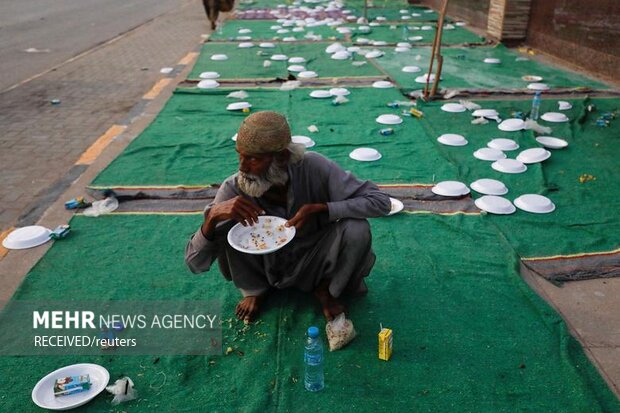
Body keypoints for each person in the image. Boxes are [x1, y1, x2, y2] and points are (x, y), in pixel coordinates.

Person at [185, 111, 391, 322]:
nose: (242, 167)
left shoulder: (314, 168)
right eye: (240, 154)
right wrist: (211, 219)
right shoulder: (234, 187)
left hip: (312, 261)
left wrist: (324, 208)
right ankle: (254, 290)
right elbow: (194, 263)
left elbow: (381, 202)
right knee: (229, 227)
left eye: (253, 158)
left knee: (357, 229)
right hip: (262, 268)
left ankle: (327, 289)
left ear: (282, 157)